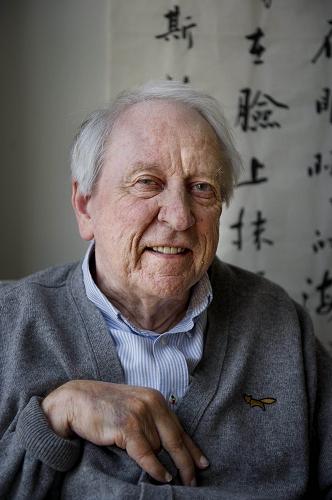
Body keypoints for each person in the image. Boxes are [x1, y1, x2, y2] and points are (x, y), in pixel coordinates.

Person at [0, 81, 331, 499]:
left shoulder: (280, 324)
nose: (179, 217)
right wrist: (51, 418)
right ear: (85, 205)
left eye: (202, 188)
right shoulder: (8, 323)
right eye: (147, 182)